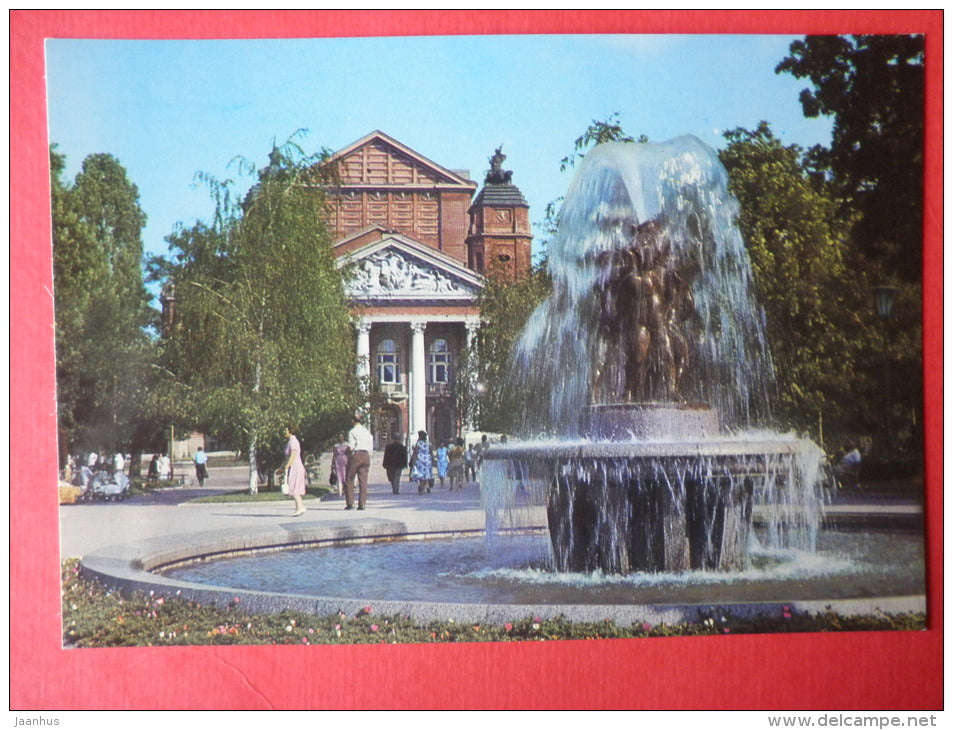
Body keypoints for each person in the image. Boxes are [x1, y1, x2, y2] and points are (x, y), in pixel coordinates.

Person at [345, 414, 373, 510]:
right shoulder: (366, 431)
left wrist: (347, 451)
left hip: (356, 454)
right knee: (363, 481)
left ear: (353, 421)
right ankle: (362, 503)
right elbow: (370, 445)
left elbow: (351, 446)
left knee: (349, 478)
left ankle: (350, 503)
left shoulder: (352, 431)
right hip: (366, 455)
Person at [282, 425, 307, 516]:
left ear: (290, 431)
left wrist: (287, 466)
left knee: (293, 486)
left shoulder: (293, 441)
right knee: (293, 486)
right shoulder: (290, 441)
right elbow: (287, 457)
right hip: (293, 466)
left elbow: (293, 455)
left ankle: (300, 507)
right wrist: (282, 467)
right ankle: (300, 507)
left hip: (295, 467)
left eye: (285, 430)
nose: (284, 432)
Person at [331, 433, 349, 497]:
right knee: (339, 476)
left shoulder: (347, 444)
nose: (341, 438)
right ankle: (340, 492)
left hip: (345, 460)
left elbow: (348, 453)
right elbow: (334, 455)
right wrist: (332, 464)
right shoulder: (336, 445)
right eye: (340, 436)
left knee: (345, 476)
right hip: (339, 461)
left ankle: (345, 490)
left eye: (342, 436)